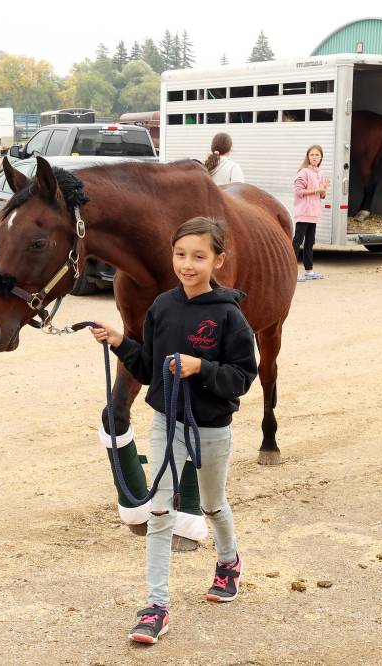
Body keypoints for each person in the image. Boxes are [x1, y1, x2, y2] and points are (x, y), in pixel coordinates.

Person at [89, 217, 258, 645]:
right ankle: (156, 606)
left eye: (199, 257)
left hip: (212, 429)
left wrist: (202, 368)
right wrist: (118, 342)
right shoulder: (162, 307)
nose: (187, 264)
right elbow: (147, 368)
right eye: (180, 255)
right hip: (168, 420)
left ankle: (228, 561)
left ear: (218, 259)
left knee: (214, 505)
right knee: (160, 511)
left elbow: (242, 378)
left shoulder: (229, 316)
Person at [292, 145, 329, 282]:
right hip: (303, 212)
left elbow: (322, 195)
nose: (314, 157)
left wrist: (323, 190)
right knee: (297, 240)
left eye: (317, 155)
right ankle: (292, 272)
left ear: (321, 157)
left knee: (310, 242)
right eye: (312, 155)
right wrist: (318, 189)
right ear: (308, 156)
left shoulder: (320, 173)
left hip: (314, 213)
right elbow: (299, 192)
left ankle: (309, 271)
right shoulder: (303, 172)